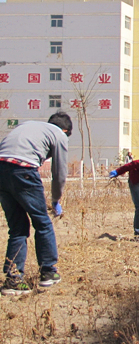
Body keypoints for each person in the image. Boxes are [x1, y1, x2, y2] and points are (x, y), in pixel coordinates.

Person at [0, 111, 72, 295]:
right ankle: (48, 272)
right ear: (65, 131)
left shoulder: (28, 125)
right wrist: (55, 199)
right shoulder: (59, 135)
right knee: (42, 222)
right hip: (23, 170)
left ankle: (13, 281)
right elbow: (60, 173)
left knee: (17, 228)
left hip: (1, 169)